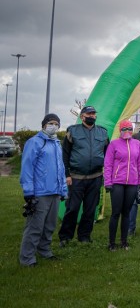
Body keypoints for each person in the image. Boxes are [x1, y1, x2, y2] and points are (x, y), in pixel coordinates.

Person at [19, 114, 68, 266]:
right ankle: (27, 258)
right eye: (51, 123)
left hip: (54, 192)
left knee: (49, 226)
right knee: (35, 227)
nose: (53, 126)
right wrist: (29, 192)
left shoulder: (56, 143)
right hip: (40, 193)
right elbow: (27, 168)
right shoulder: (34, 142)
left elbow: (61, 169)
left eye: (56, 124)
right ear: (44, 125)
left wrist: (63, 190)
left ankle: (44, 250)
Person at [59, 105, 110, 247]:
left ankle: (84, 236)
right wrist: (67, 174)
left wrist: (107, 172)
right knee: (72, 208)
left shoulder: (103, 132)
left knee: (90, 209)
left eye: (94, 114)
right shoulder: (72, 131)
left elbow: (108, 154)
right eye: (89, 114)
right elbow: (65, 155)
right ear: (82, 116)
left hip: (96, 177)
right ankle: (65, 236)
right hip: (76, 177)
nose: (92, 116)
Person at [104, 120, 140, 251]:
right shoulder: (113, 144)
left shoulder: (137, 144)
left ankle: (124, 241)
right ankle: (111, 243)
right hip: (117, 183)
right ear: (120, 130)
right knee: (116, 213)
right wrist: (108, 182)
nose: (127, 131)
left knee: (126, 213)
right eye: (124, 128)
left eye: (129, 128)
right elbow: (108, 164)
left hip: (132, 183)